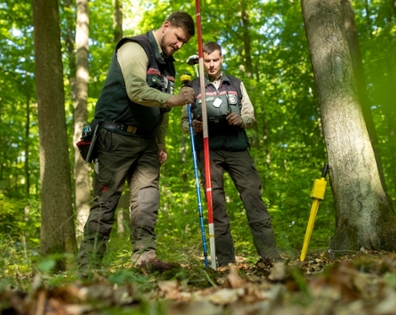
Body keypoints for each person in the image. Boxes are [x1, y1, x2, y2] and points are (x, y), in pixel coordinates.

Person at [78, 11, 195, 274]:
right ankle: (89, 269)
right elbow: (136, 90)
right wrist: (174, 99)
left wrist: (160, 142)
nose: (178, 45)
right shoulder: (134, 47)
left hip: (146, 143)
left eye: (183, 44)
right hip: (115, 137)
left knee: (147, 202)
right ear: (166, 26)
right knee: (106, 204)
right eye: (177, 38)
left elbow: (162, 111)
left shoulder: (168, 65)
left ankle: (145, 260)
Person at [181, 42, 282, 267]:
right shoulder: (193, 87)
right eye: (207, 61)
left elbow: (250, 114)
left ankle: (270, 258)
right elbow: (184, 121)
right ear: (202, 62)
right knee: (215, 204)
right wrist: (193, 125)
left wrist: (241, 120)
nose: (211, 65)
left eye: (215, 60)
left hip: (238, 149)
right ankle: (226, 263)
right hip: (209, 151)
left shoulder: (236, 83)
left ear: (221, 59)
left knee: (253, 198)